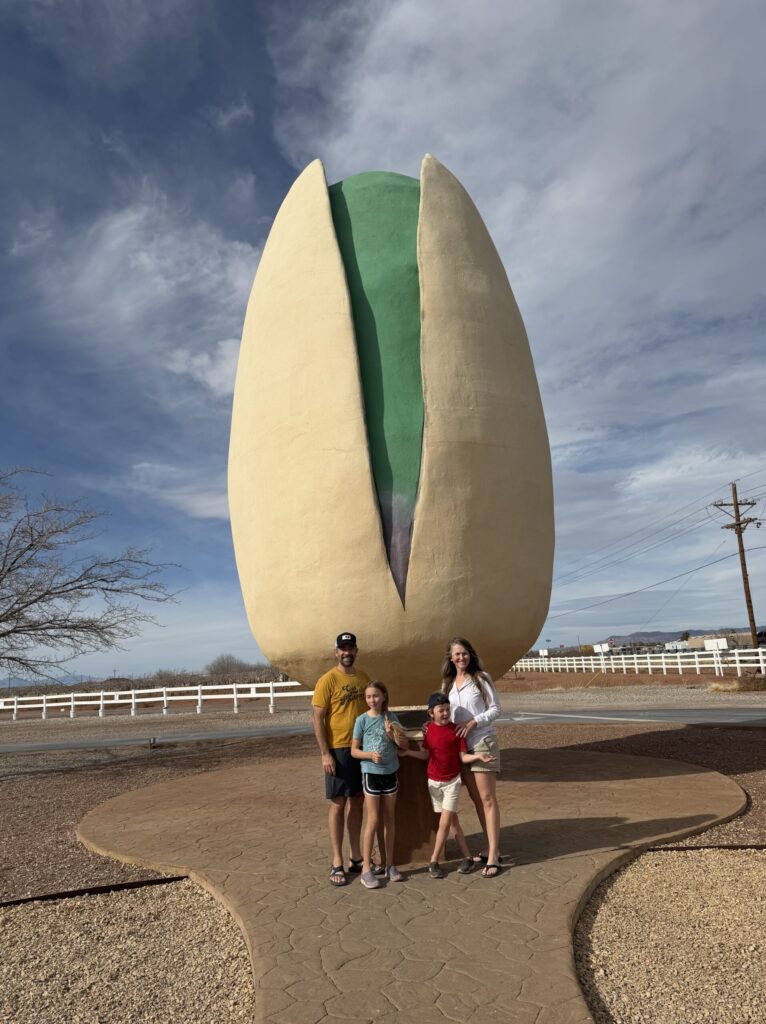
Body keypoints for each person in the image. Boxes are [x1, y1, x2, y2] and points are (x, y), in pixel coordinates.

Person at [402, 691, 495, 877]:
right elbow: (426, 755)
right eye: (441, 710)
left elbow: (463, 757)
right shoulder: (429, 731)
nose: (445, 713)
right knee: (453, 822)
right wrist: (407, 753)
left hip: (452, 782)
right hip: (433, 783)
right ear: (431, 713)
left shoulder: (456, 731)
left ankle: (433, 861)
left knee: (444, 822)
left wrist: (479, 756)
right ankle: (467, 857)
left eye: (447, 709)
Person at [441, 637, 503, 878]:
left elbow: (496, 709)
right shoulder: (448, 684)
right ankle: (490, 847)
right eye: (457, 654)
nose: (461, 657)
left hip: (482, 740)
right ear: (450, 658)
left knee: (487, 798)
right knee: (476, 799)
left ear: (471, 655)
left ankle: (494, 855)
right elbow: (445, 714)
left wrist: (474, 721)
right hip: (462, 746)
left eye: (465, 653)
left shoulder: (481, 678)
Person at [312, 632, 370, 886]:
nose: (347, 652)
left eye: (350, 648)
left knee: (358, 801)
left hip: (361, 749)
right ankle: (337, 860)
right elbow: (317, 717)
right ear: (336, 652)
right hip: (338, 750)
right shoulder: (327, 680)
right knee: (338, 802)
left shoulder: (364, 678)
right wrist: (325, 753)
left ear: (356, 650)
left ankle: (356, 857)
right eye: (342, 648)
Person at [351, 681, 408, 888]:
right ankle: (366, 868)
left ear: (384, 696)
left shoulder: (391, 717)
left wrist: (393, 733)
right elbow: (354, 751)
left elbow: (404, 745)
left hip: (390, 773)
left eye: (375, 696)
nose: (372, 700)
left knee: (390, 819)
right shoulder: (362, 720)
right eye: (368, 697)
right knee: (373, 819)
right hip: (371, 774)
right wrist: (369, 755)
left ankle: (390, 864)